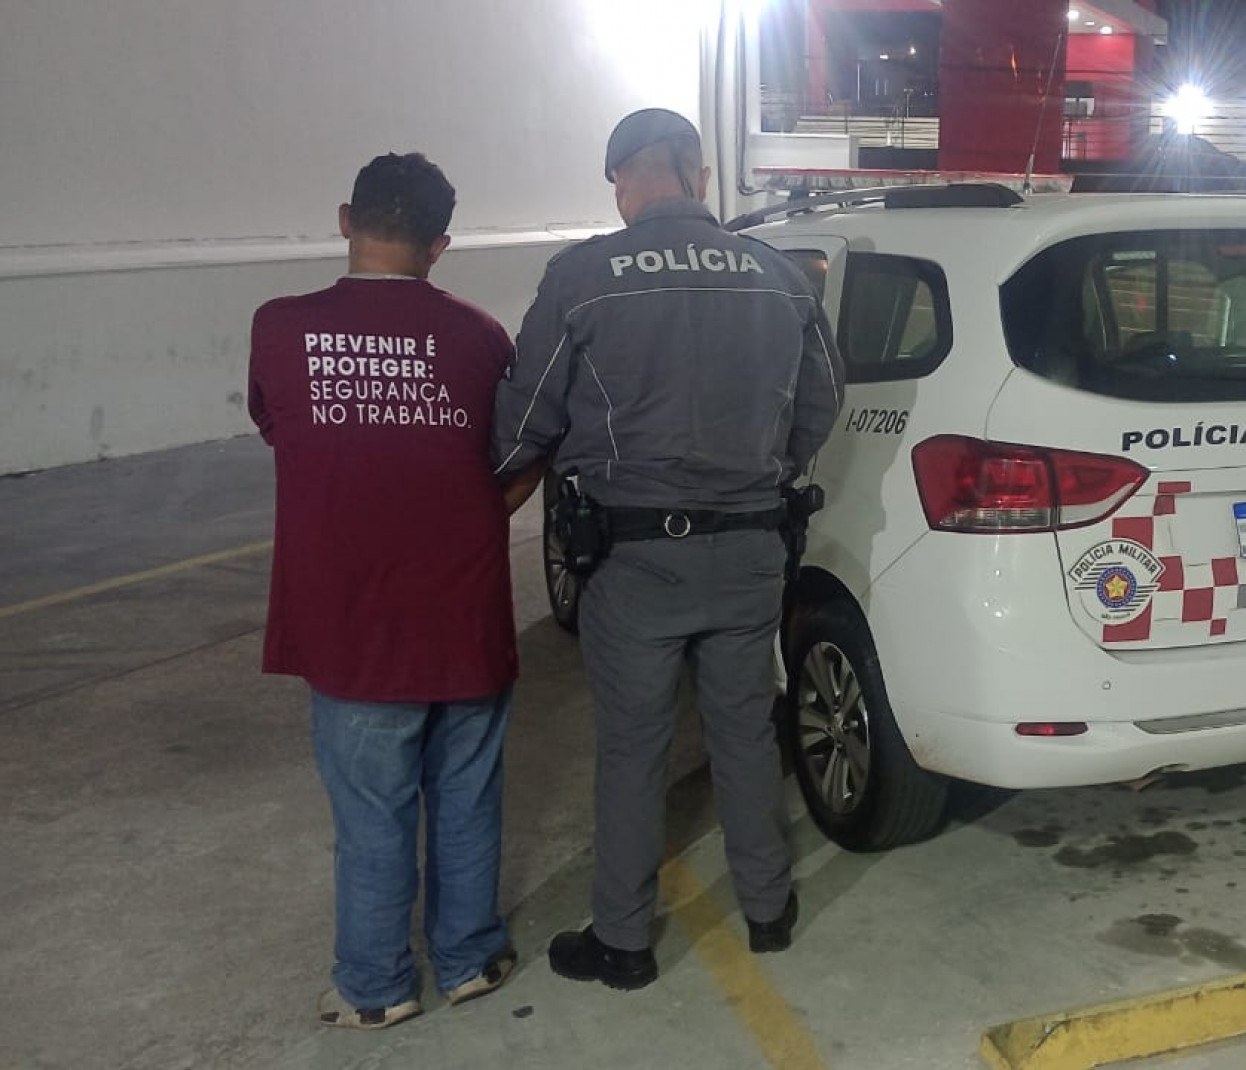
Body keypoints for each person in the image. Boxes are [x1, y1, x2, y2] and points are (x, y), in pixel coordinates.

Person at [492, 109, 844, 991]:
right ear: (697, 172)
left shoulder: (582, 275)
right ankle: (768, 909)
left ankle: (625, 941)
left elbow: (525, 418)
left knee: (634, 748)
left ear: (622, 178)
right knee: (743, 733)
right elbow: (823, 401)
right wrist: (768, 470)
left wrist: (491, 482)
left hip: (635, 558)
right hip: (751, 547)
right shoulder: (777, 274)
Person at [248, 153, 535, 1029]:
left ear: (346, 219)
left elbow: (279, 429)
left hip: (350, 623)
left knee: (372, 812)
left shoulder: (280, 327)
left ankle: (375, 990)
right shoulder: (483, 337)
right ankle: (470, 958)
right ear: (441, 245)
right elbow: (519, 460)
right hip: (462, 613)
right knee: (466, 792)